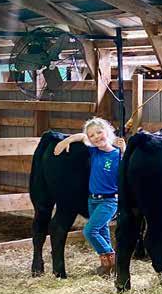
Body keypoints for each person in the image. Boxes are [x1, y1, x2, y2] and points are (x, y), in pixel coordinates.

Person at [53, 117, 125, 276]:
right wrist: (66, 141)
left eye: (99, 132)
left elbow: (126, 171)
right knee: (102, 231)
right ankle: (107, 268)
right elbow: (82, 137)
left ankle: (114, 260)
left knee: (90, 231)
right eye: (92, 135)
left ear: (108, 132)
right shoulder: (94, 151)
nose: (96, 137)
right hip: (93, 200)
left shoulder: (117, 154)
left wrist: (124, 149)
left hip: (109, 201)